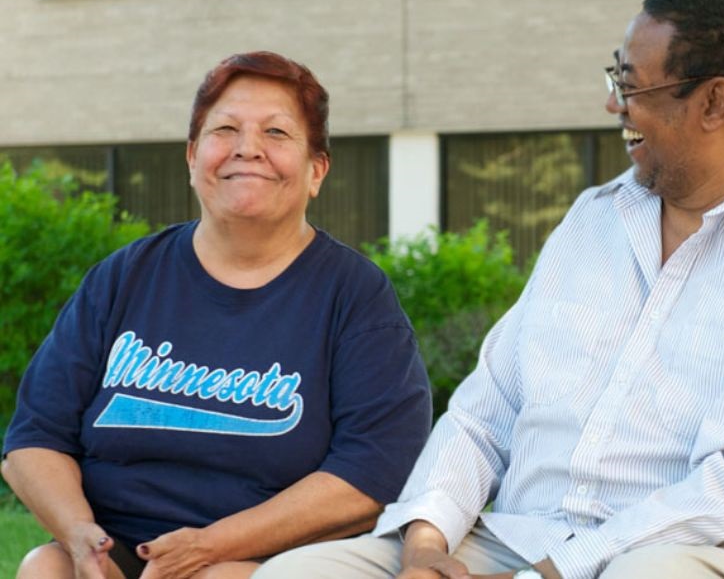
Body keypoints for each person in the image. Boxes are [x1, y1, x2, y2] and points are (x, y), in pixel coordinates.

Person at [253, 0, 724, 579]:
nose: (612, 103)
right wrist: (426, 543)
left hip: (714, 554)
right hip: (525, 537)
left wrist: (549, 574)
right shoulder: (591, 221)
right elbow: (486, 409)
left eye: (631, 85)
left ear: (714, 102)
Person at [1, 51, 432, 579]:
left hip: (263, 561)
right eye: (225, 129)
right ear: (192, 157)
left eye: (276, 133)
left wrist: (209, 547)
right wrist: (78, 535)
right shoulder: (124, 278)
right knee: (45, 567)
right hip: (113, 551)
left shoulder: (355, 296)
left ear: (316, 170)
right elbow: (34, 438)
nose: (247, 149)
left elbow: (373, 473)